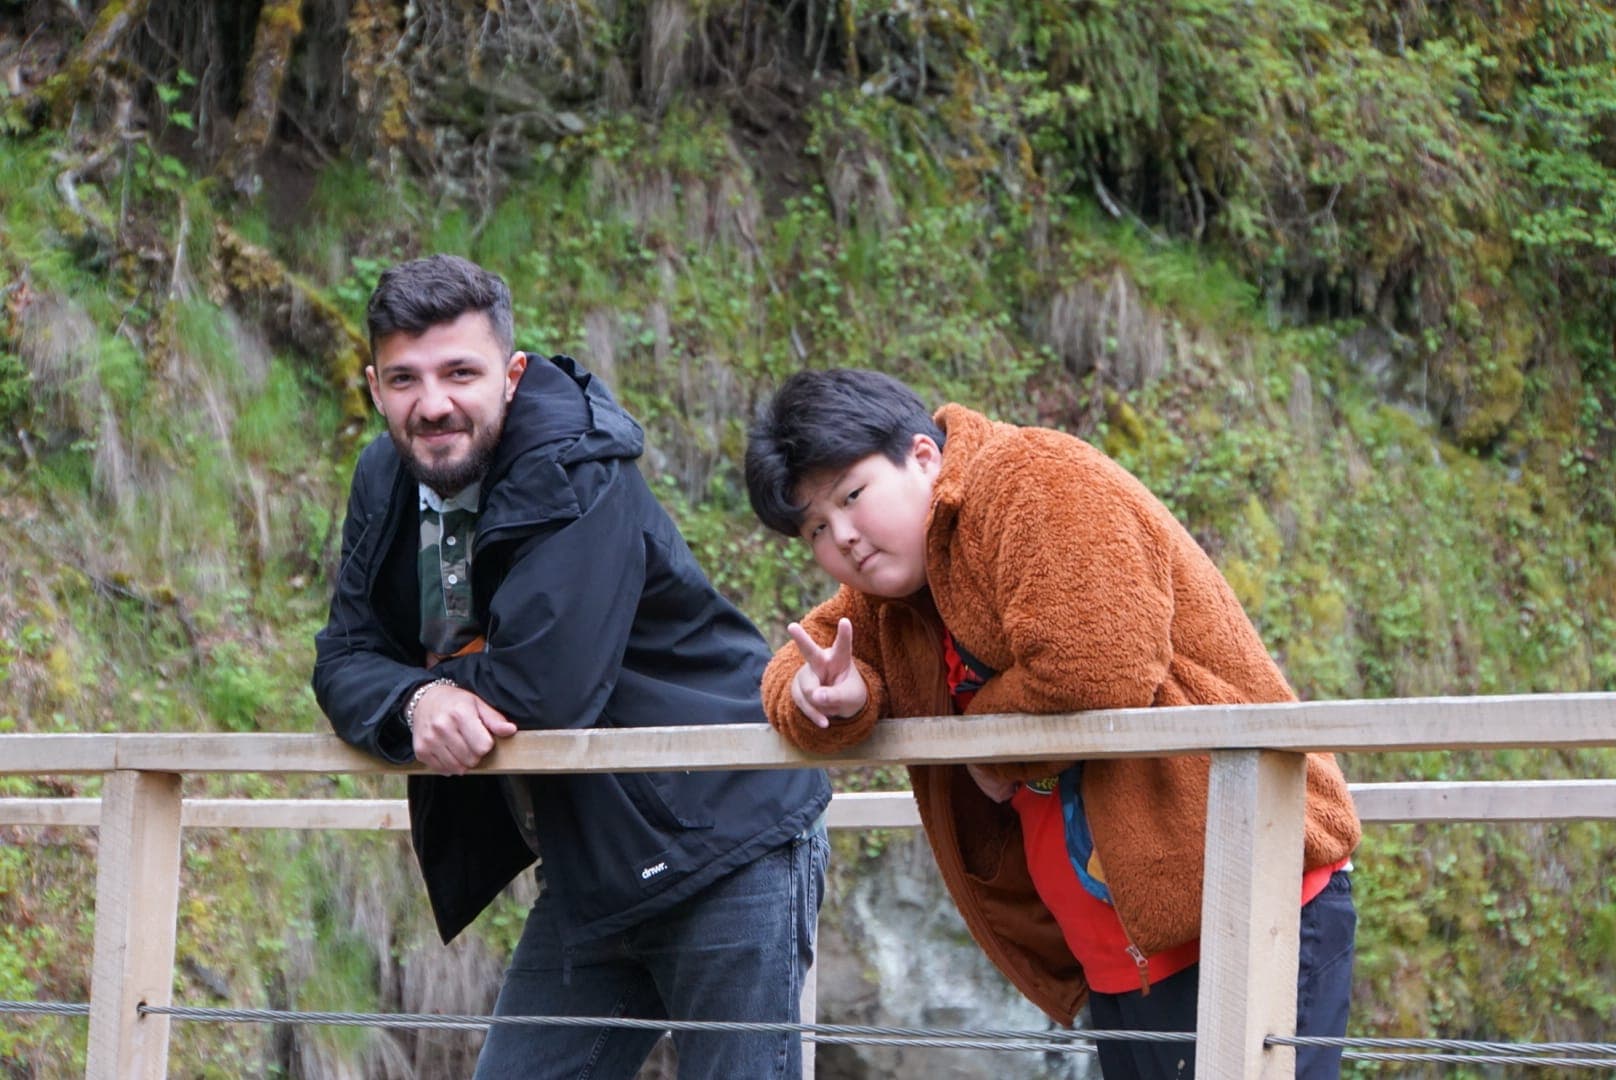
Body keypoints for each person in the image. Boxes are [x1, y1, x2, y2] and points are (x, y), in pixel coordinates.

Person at [744, 368, 1361, 1079]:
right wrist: (834, 699)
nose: (843, 537)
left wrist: (985, 752)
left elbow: (1096, 663)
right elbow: (794, 667)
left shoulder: (1032, 482)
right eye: (816, 527)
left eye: (853, 496)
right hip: (1119, 945)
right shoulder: (889, 590)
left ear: (921, 456)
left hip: (1246, 898)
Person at [312, 254, 831, 1080]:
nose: (433, 403)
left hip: (727, 831)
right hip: (592, 858)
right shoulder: (385, 477)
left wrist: (432, 683)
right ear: (375, 387)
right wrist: (416, 702)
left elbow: (543, 690)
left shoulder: (578, 465)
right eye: (405, 379)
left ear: (512, 375)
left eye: (460, 372)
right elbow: (343, 656)